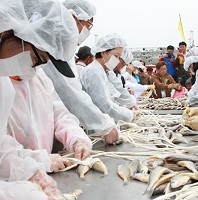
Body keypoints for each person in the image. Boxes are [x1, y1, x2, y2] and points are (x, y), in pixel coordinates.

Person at [0, 0, 85, 198]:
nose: (34, 68)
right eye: (37, 58)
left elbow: (1, 147)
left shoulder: (4, 84)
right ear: (14, 31)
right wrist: (20, 193)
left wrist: (33, 166)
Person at [42, 0, 119, 145]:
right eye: (88, 25)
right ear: (71, 18)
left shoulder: (65, 52)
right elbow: (69, 94)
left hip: (63, 130)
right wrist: (103, 125)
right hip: (48, 133)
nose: (87, 31)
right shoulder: (49, 51)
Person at [80, 33, 135, 122]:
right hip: (94, 124)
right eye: (116, 56)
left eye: (119, 57)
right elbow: (104, 106)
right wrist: (129, 115)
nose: (117, 60)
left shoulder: (103, 71)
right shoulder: (93, 72)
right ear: (103, 52)